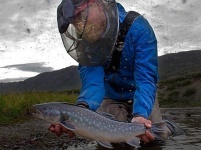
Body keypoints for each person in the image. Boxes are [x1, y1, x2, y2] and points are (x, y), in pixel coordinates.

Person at [50, 0, 172, 145]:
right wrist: (81, 110)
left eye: (82, 16)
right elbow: (93, 83)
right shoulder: (86, 45)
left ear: (99, 5)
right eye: (74, 22)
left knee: (156, 137)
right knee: (114, 142)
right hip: (111, 96)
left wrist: (140, 114)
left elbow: (146, 79)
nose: (80, 26)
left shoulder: (138, 28)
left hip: (141, 93)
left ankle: (169, 127)